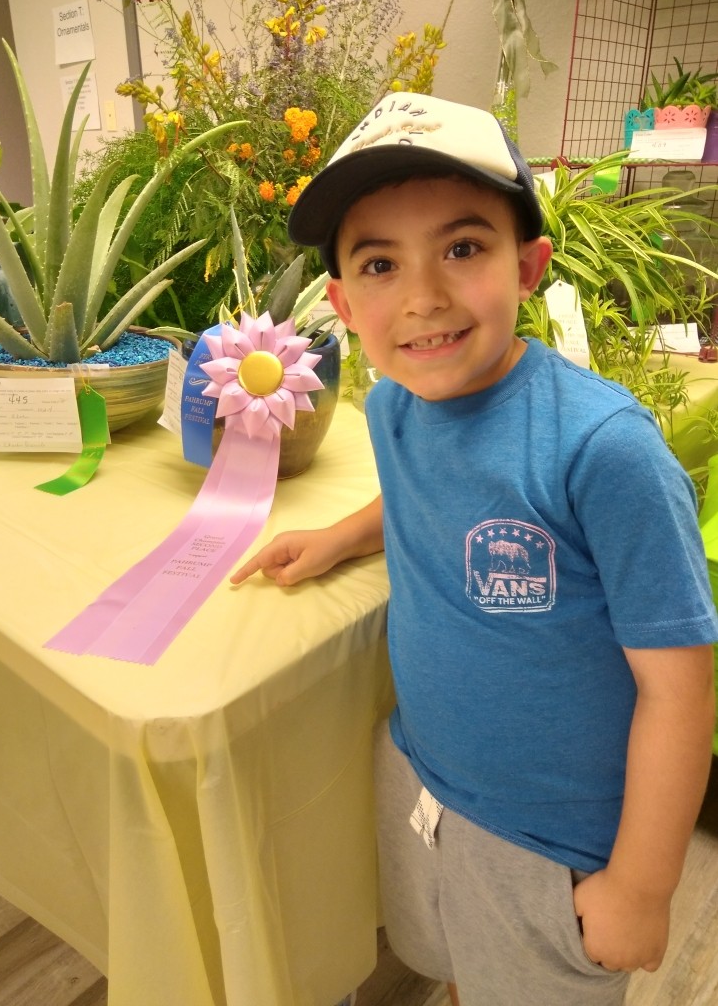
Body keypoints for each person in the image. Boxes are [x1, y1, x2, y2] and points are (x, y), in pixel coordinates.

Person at [231, 94, 718, 1006]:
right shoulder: (395, 405)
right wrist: (340, 538)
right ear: (342, 303)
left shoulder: (603, 452)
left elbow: (680, 689)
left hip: (552, 839)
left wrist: (642, 887)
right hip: (422, 776)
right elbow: (422, 490)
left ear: (527, 265)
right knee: (457, 965)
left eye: (462, 248)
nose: (423, 297)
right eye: (380, 264)